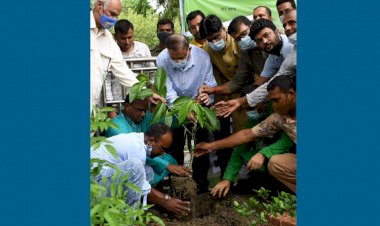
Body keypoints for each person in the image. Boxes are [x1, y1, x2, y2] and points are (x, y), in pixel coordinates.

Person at [195, 75, 297, 193]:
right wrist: (210, 147)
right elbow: (246, 136)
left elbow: (286, 142)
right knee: (274, 164)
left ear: (291, 94)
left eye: (276, 100)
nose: (273, 104)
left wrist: (263, 154)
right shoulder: (278, 117)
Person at [156, 34, 217, 193]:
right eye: (174, 58)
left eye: (182, 57)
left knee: (200, 147)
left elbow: (210, 83)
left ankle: (200, 186)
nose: (178, 61)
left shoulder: (202, 57)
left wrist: (204, 98)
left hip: (197, 107)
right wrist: (183, 109)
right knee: (173, 146)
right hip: (174, 108)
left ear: (189, 49)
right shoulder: (162, 59)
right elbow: (167, 90)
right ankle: (176, 187)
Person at [91, 123, 191, 215]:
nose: (163, 153)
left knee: (148, 172)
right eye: (162, 149)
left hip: (102, 177)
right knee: (135, 166)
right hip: (94, 185)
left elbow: (143, 182)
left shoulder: (138, 139)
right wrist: (165, 202)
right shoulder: (136, 147)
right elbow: (142, 186)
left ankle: (127, 205)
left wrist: (166, 198)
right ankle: (129, 217)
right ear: (151, 141)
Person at [90, 0, 164, 112]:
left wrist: (146, 93)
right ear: (99, 6)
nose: (114, 19)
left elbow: (123, 71)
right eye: (112, 14)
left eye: (117, 16)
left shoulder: (107, 38)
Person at [106, 95, 191, 186]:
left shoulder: (145, 118)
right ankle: (145, 192)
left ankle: (150, 190)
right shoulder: (116, 127)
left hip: (142, 159)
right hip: (124, 166)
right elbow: (133, 156)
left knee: (170, 160)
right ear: (127, 107)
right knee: (151, 172)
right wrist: (166, 165)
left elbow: (166, 121)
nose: (143, 114)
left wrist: (186, 116)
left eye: (145, 110)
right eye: (139, 110)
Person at [104, 19, 155, 103]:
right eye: (123, 38)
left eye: (130, 37)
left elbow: (153, 73)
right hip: (118, 101)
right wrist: (111, 104)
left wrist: (152, 92)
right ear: (115, 36)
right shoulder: (109, 51)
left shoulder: (143, 49)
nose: (127, 42)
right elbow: (107, 80)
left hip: (141, 100)